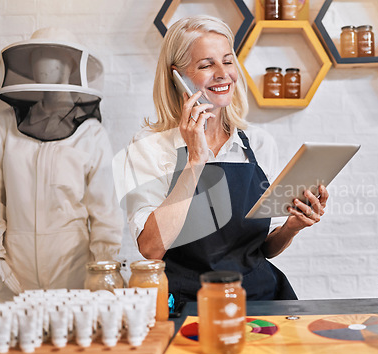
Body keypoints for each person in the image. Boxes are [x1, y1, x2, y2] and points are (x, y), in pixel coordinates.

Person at [118, 16, 328, 305]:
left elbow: (264, 248)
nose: (223, 74)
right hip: (186, 304)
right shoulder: (149, 147)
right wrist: (194, 162)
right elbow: (151, 248)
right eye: (206, 65)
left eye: (228, 62)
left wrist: (292, 226)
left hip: (258, 300)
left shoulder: (258, 143)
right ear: (177, 76)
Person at [0, 28, 122, 344]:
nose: (46, 67)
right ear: (29, 68)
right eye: (39, 60)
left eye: (56, 60)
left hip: (72, 273)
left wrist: (100, 276)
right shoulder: (4, 125)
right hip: (13, 273)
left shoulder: (91, 134)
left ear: (70, 67)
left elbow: (105, 215)